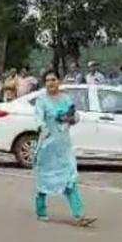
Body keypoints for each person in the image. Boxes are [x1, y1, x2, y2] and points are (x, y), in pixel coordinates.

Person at [34, 69, 97, 227]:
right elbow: (38, 120)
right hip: (48, 147)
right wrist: (44, 129)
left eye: (53, 79)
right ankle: (41, 210)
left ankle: (79, 215)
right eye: (47, 80)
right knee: (45, 180)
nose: (51, 83)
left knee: (70, 179)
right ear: (44, 83)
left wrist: (69, 118)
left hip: (64, 147)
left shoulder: (66, 99)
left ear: (59, 81)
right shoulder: (41, 100)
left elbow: (75, 117)